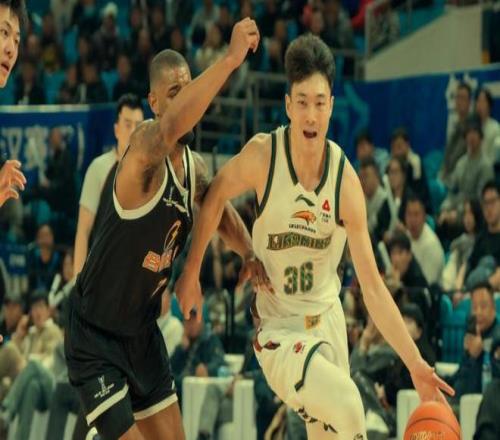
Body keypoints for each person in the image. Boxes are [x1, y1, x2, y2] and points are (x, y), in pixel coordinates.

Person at [176, 34, 454, 440]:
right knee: (350, 405)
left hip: (328, 325)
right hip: (280, 329)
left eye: (320, 103)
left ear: (332, 107)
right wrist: (192, 270)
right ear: (288, 105)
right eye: (302, 102)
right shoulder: (264, 156)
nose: (311, 115)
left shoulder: (345, 182)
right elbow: (214, 194)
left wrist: (415, 363)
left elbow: (373, 288)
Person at [65, 18, 261, 440]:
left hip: (142, 336)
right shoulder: (143, 147)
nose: (186, 99)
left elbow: (218, 209)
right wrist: (230, 60)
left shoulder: (194, 169)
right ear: (154, 102)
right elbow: (172, 126)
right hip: (95, 336)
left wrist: (247, 251)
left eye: (189, 88)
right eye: (176, 93)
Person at [73, 93, 144, 276]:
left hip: (135, 277)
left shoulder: (151, 173)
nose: (133, 131)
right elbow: (83, 230)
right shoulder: (99, 168)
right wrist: (77, 283)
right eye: (127, 124)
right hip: (101, 275)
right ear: (116, 129)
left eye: (138, 126)